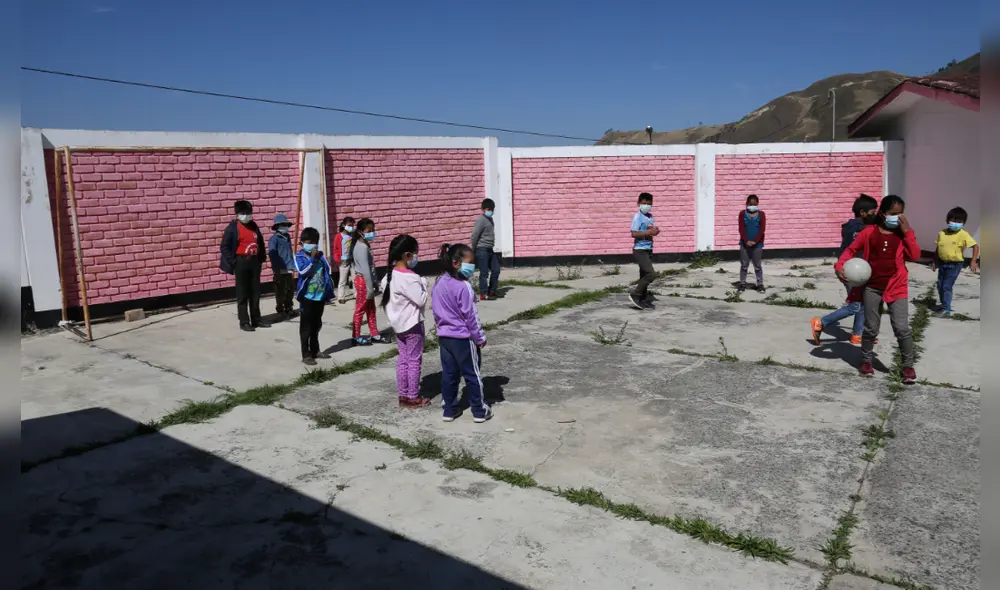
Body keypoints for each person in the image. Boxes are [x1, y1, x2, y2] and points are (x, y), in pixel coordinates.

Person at [835, 195, 920, 381]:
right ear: (882, 213)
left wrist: (907, 232)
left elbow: (914, 255)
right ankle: (866, 361)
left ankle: (908, 366)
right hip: (872, 288)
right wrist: (840, 266)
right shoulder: (868, 233)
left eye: (900, 214)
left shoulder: (901, 234)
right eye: (892, 214)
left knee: (902, 328)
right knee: (871, 328)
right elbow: (850, 250)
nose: (896, 218)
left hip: (897, 287)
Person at [432, 243, 491, 423]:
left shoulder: (439, 282)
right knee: (472, 374)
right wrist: (479, 338)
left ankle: (449, 409)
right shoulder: (464, 286)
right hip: (463, 339)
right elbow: (471, 317)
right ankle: (479, 410)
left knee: (449, 375)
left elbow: (435, 309)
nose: (472, 267)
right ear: (457, 263)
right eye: (470, 263)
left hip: (445, 338)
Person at [811, 194, 878, 345]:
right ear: (862, 212)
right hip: (849, 271)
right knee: (855, 306)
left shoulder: (865, 227)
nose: (875, 214)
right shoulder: (854, 228)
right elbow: (850, 248)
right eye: (873, 211)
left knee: (861, 304)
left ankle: (857, 334)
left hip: (861, 271)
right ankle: (821, 323)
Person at [380, 234, 430, 408]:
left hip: (398, 325)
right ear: (407, 255)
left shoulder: (389, 276)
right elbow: (421, 299)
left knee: (403, 359)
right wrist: (424, 284)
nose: (416, 257)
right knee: (414, 360)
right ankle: (413, 396)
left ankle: (403, 394)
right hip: (413, 325)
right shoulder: (410, 278)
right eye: (415, 253)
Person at [219, 199, 270, 331]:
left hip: (254, 262)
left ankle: (256, 319)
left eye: (248, 213)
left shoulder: (254, 226)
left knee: (255, 292)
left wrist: (261, 258)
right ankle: (244, 321)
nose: (246, 215)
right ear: (237, 214)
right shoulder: (232, 229)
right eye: (243, 213)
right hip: (240, 262)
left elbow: (261, 242)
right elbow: (224, 247)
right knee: (242, 293)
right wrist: (234, 261)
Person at [293, 227, 334, 365]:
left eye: (315, 241)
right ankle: (306, 354)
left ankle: (315, 350)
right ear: (302, 243)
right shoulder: (299, 257)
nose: (313, 244)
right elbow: (303, 271)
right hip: (307, 297)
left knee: (316, 324)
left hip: (320, 296)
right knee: (306, 326)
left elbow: (327, 270)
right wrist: (311, 259)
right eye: (309, 242)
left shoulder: (321, 256)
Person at [930, 207, 979, 316]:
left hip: (955, 265)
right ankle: (943, 304)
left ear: (963, 223)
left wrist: (973, 261)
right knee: (940, 285)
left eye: (959, 222)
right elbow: (938, 248)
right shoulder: (942, 233)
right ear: (947, 221)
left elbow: (975, 246)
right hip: (942, 264)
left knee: (946, 286)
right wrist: (934, 261)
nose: (955, 223)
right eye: (953, 221)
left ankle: (947, 309)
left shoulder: (963, 234)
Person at [349, 218, 387, 346]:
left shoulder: (365, 245)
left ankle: (374, 333)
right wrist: (370, 288)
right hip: (364, 281)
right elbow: (365, 269)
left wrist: (375, 282)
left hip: (368, 281)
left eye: (373, 230)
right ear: (360, 232)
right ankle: (356, 336)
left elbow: (371, 268)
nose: (372, 233)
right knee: (360, 309)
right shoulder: (361, 247)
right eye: (369, 231)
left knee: (371, 309)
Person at [628, 192, 658, 310]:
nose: (646, 206)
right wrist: (648, 233)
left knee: (644, 275)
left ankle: (643, 299)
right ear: (638, 203)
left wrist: (655, 231)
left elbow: (649, 231)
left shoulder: (650, 217)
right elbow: (634, 233)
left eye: (649, 204)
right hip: (639, 250)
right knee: (651, 274)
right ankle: (635, 295)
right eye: (643, 203)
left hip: (648, 248)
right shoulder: (637, 217)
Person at [267, 213, 296, 319]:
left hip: (289, 267)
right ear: (277, 227)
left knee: (290, 290)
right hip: (280, 269)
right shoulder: (274, 239)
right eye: (282, 225)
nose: (285, 227)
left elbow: (290, 251)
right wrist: (277, 270)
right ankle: (280, 309)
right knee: (280, 291)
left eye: (286, 225)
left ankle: (289, 307)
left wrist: (293, 265)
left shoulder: (287, 237)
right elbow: (272, 254)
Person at [471, 198, 500, 301]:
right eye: (488, 209)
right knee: (484, 273)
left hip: (490, 249)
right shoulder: (480, 220)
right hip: (481, 249)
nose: (490, 211)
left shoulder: (490, 219)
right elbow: (475, 235)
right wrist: (473, 249)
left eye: (492, 209)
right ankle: (483, 293)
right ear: (483, 209)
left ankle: (492, 291)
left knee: (496, 270)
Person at [737, 194, 766, 292]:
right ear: (746, 204)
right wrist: (746, 241)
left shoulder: (761, 214)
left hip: (757, 244)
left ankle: (760, 284)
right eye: (750, 204)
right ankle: (742, 284)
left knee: (757, 266)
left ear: (757, 204)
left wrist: (755, 241)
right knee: (744, 265)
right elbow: (741, 228)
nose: (752, 206)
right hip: (744, 244)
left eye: (754, 204)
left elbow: (762, 230)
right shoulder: (742, 214)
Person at [333, 216, 356, 304]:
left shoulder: (352, 235)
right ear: (344, 225)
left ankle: (356, 294)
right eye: (349, 225)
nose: (351, 227)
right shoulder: (339, 236)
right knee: (342, 280)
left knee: (355, 278)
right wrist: (338, 260)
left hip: (352, 260)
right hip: (343, 261)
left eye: (352, 225)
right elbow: (335, 249)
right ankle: (341, 297)